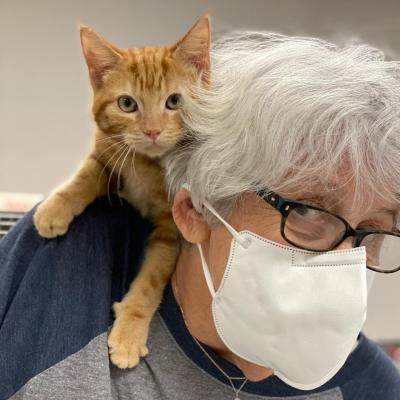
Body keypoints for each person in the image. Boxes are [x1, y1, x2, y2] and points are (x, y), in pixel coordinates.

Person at [1, 31, 400, 400]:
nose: (346, 259)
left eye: (373, 230)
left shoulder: (373, 388)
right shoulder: (62, 267)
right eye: (309, 212)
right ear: (195, 211)